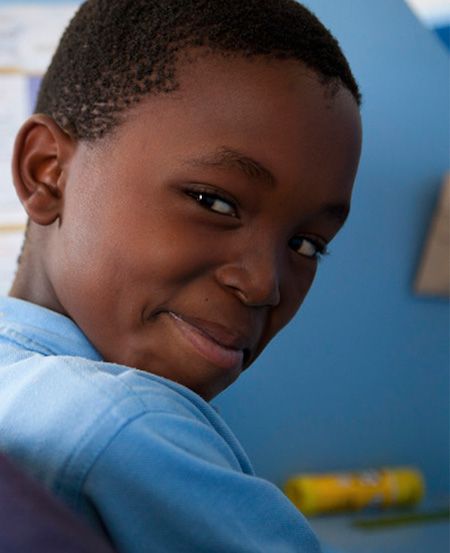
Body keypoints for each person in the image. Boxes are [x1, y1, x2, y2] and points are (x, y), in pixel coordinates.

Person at [0, 0, 362, 551]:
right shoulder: (126, 425)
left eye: (306, 244)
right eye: (213, 202)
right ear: (47, 172)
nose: (264, 284)